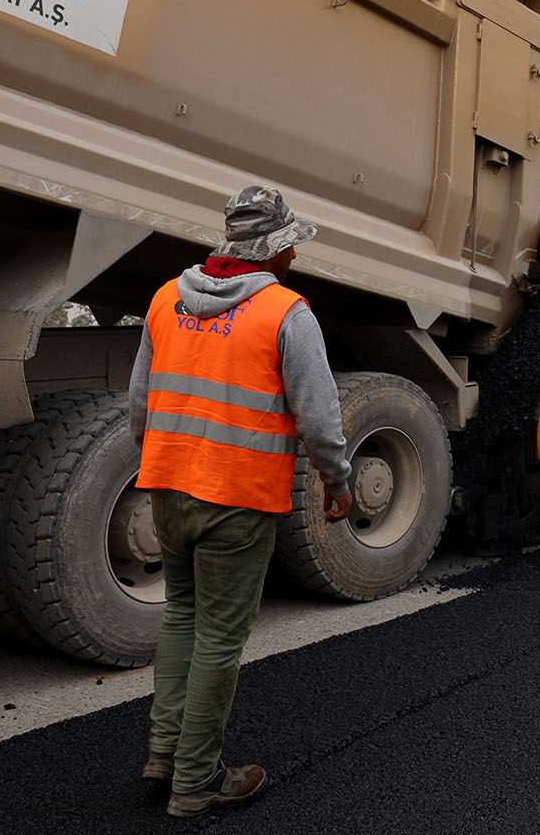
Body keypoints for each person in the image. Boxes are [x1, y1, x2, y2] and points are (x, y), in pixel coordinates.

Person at [128, 185, 353, 818]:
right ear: (273, 248)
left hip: (168, 485)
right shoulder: (286, 312)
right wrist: (337, 482)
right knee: (220, 639)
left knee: (181, 616)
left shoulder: (166, 299)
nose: (294, 257)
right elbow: (318, 418)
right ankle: (196, 781)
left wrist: (160, 460)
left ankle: (165, 753)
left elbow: (140, 401)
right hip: (238, 497)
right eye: (290, 246)